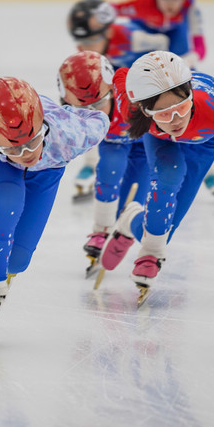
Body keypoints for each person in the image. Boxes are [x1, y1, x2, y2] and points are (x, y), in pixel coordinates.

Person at [0, 77, 109, 333]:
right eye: (14, 149)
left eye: (32, 143)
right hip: (5, 168)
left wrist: (73, 111)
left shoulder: (70, 137)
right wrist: (7, 151)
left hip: (50, 167)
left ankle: (6, 274)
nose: (26, 155)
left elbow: (100, 120)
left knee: (19, 260)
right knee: (6, 204)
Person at [99, 51, 214, 302]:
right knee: (169, 178)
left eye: (181, 108)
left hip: (204, 140)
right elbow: (121, 74)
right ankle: (151, 255)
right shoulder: (132, 109)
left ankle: (130, 221)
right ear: (144, 110)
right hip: (160, 140)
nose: (175, 120)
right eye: (162, 114)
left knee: (164, 229)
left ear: (190, 97)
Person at [113, 0, 214, 203]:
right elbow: (110, 14)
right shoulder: (140, 4)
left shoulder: (190, 8)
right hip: (148, 51)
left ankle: (203, 145)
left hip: (176, 54)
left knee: (188, 95)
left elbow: (199, 45)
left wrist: (189, 59)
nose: (171, 3)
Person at [57, 50, 150, 275]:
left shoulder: (133, 94)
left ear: (111, 91)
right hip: (115, 143)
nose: (92, 114)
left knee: (134, 198)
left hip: (146, 145)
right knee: (108, 170)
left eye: (98, 104)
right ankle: (100, 231)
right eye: (82, 109)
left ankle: (122, 231)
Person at [65, 0, 168, 200]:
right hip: (117, 91)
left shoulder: (133, 38)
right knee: (90, 104)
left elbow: (166, 44)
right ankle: (90, 162)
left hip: (142, 91)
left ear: (109, 32)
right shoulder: (87, 53)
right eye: (81, 42)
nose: (86, 48)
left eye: (91, 40)